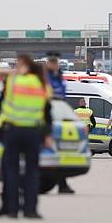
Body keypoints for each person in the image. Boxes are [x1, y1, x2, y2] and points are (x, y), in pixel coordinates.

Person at [0, 55, 51, 218]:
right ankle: (30, 209)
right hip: (33, 132)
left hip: (13, 130)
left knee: (11, 171)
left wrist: (15, 71)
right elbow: (47, 110)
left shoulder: (14, 81)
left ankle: (12, 209)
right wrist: (47, 134)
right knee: (32, 172)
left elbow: (1, 74)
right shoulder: (41, 84)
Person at [44, 53, 74, 194]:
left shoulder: (59, 75)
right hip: (47, 115)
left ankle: (62, 184)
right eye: (51, 61)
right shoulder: (45, 77)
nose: (53, 64)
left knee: (60, 152)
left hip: (59, 114)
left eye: (55, 61)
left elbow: (63, 94)